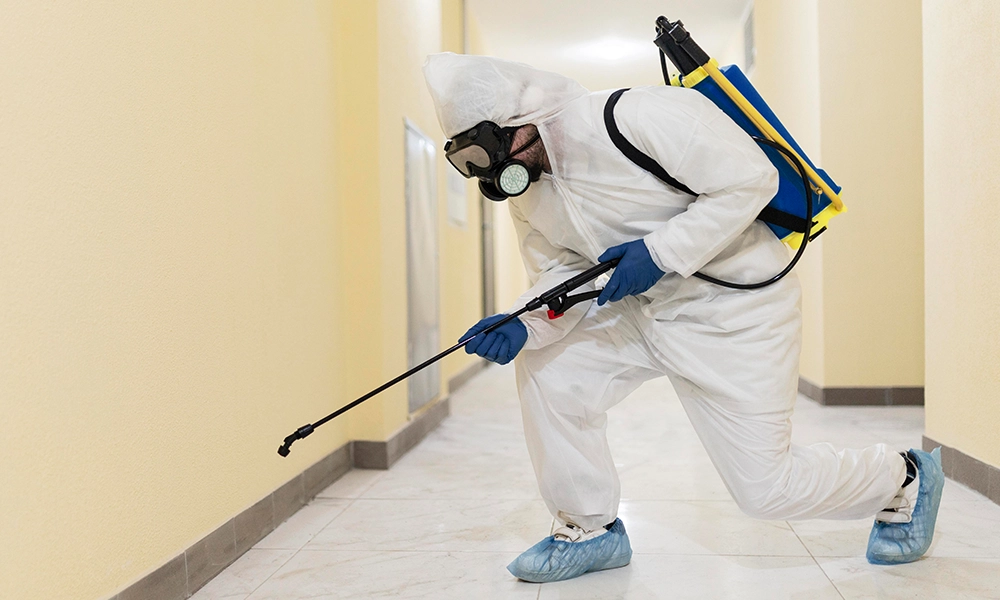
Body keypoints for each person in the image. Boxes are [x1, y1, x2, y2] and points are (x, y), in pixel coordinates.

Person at [423, 52, 944, 584]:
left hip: (734, 313)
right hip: (636, 312)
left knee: (767, 490)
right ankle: (590, 528)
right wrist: (521, 320)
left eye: (487, 152)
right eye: (469, 162)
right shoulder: (530, 189)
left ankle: (903, 477)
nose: (491, 174)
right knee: (548, 368)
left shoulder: (638, 116)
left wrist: (660, 252)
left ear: (519, 122)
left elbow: (750, 179)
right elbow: (563, 270)